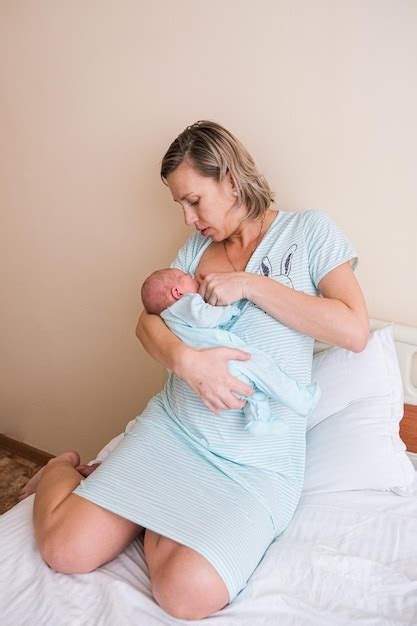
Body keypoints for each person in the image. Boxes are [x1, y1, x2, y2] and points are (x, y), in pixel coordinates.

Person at [25, 120, 369, 621]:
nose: (188, 219)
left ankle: (150, 516)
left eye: (193, 200)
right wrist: (187, 362)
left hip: (254, 464)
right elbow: (147, 324)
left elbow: (354, 329)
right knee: (64, 549)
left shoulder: (309, 232)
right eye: (180, 206)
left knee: (187, 594)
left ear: (230, 179)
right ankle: (60, 467)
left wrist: (249, 285)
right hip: (176, 432)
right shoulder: (193, 255)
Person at [141, 266, 321, 435]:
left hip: (217, 369)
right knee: (266, 370)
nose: (194, 278)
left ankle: (259, 419)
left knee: (253, 392)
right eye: (188, 277)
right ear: (177, 292)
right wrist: (228, 311)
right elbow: (204, 317)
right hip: (226, 359)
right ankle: (300, 399)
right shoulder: (186, 303)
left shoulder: (167, 318)